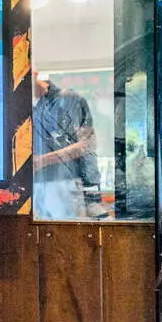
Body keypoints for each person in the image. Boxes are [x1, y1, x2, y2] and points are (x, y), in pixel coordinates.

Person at [33, 71, 97, 220]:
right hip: (31, 186)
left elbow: (88, 144)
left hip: (62, 182)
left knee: (63, 230)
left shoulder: (69, 100)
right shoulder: (26, 105)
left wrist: (43, 160)